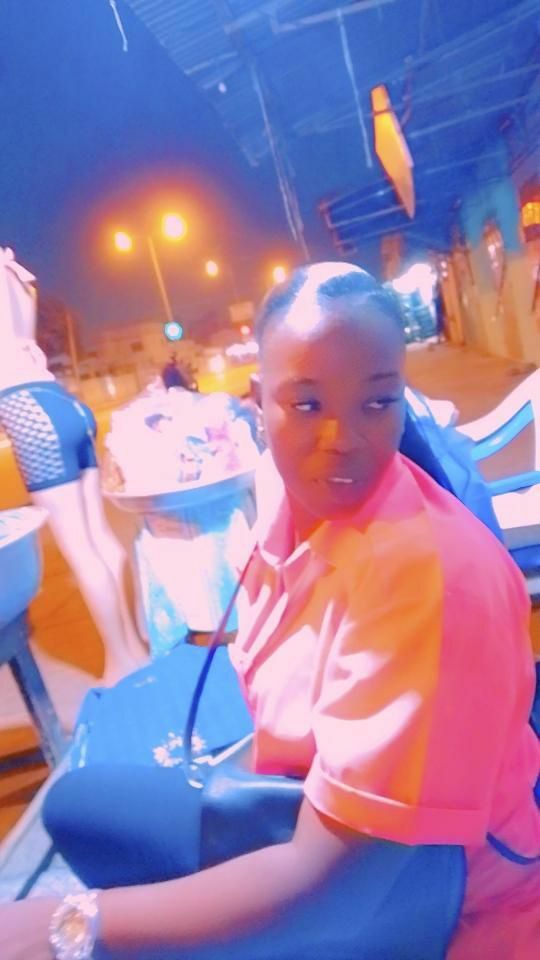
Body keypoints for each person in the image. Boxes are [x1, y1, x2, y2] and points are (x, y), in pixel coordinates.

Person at [1, 262, 538, 959]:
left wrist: (73, 925)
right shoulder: (290, 498)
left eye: (377, 402)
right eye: (307, 404)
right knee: (79, 808)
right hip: (311, 800)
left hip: (430, 885)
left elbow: (336, 882)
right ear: (260, 404)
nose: (342, 436)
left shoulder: (426, 580)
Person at [0, 248, 147, 684]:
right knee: (99, 537)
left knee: (80, 548)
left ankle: (120, 662)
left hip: (27, 411)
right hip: (63, 404)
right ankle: (133, 649)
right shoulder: (12, 274)